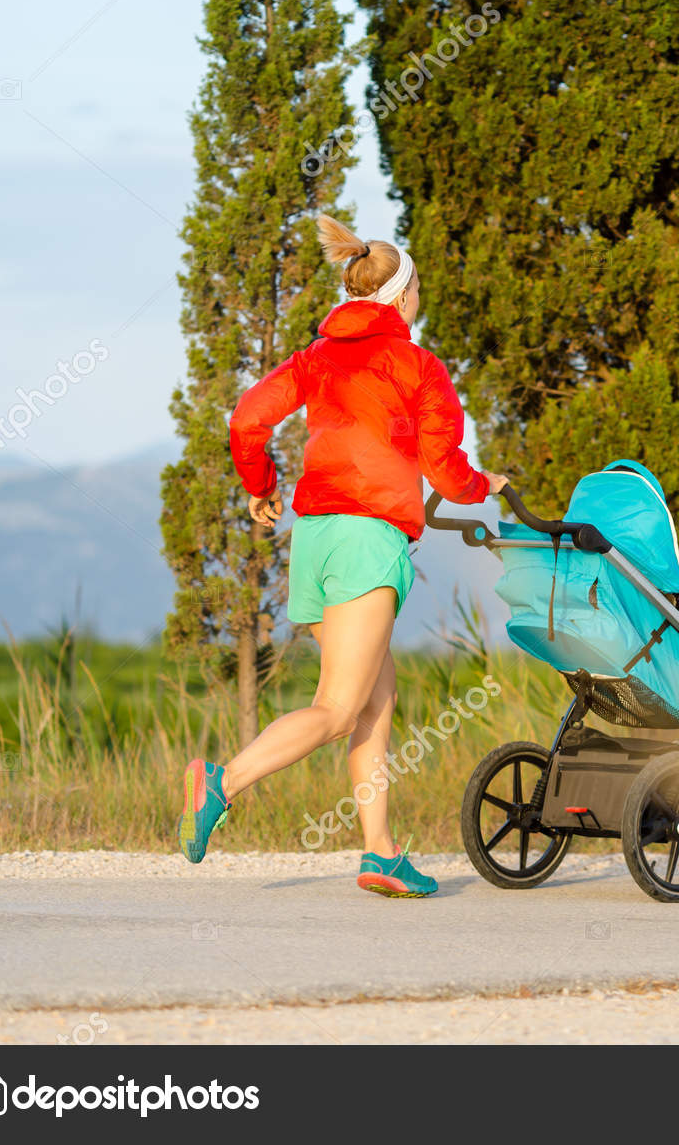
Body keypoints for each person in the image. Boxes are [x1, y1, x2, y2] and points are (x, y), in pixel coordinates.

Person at [178, 215, 506, 899]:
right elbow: (446, 471)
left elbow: (247, 418)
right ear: (404, 299)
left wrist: (262, 487)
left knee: (374, 703)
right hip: (366, 537)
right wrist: (485, 484)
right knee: (336, 707)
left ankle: (380, 852)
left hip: (317, 536)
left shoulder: (317, 357)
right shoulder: (417, 365)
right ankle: (223, 782)